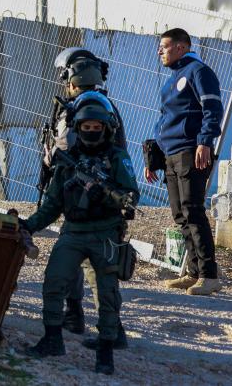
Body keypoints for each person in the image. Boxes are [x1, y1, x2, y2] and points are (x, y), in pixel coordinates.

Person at [23, 91, 140, 375]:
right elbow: (52, 204)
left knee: (107, 294)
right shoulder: (67, 161)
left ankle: (105, 353)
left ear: (107, 128)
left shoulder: (116, 158)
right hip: (72, 233)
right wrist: (29, 225)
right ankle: (52, 339)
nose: (90, 132)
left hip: (105, 235)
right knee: (54, 281)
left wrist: (108, 196)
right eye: (85, 128)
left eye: (96, 128)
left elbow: (131, 196)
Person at [45, 47, 128, 349]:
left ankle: (83, 318)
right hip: (100, 194)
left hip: (85, 193)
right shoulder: (105, 105)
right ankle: (97, 323)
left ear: (71, 79)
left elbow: (67, 148)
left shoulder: (79, 107)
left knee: (87, 260)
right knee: (97, 264)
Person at [145, 28, 223, 295]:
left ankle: (209, 275)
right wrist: (153, 155)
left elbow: (213, 109)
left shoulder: (198, 71)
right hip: (170, 153)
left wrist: (205, 142)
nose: (159, 51)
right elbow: (164, 119)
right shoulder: (171, 79)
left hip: (191, 150)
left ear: (181, 47)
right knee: (179, 214)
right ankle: (193, 271)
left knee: (193, 210)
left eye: (164, 46)